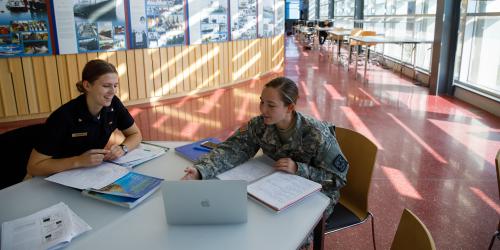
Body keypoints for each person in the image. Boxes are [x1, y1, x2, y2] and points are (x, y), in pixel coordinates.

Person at [182, 76, 349, 218]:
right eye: (262, 102)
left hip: (317, 196)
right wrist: (200, 170)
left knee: (292, 235)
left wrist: (299, 168)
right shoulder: (260, 124)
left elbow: (337, 179)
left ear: (289, 107)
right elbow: (232, 149)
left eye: (271, 105)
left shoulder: (316, 133)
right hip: (277, 189)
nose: (263, 110)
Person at [27, 59, 142, 176]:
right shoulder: (63, 116)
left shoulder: (114, 104)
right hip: (56, 177)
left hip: (89, 175)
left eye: (115, 85)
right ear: (87, 85)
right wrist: (78, 161)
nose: (113, 91)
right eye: (106, 86)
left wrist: (123, 148)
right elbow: (34, 167)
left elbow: (135, 134)